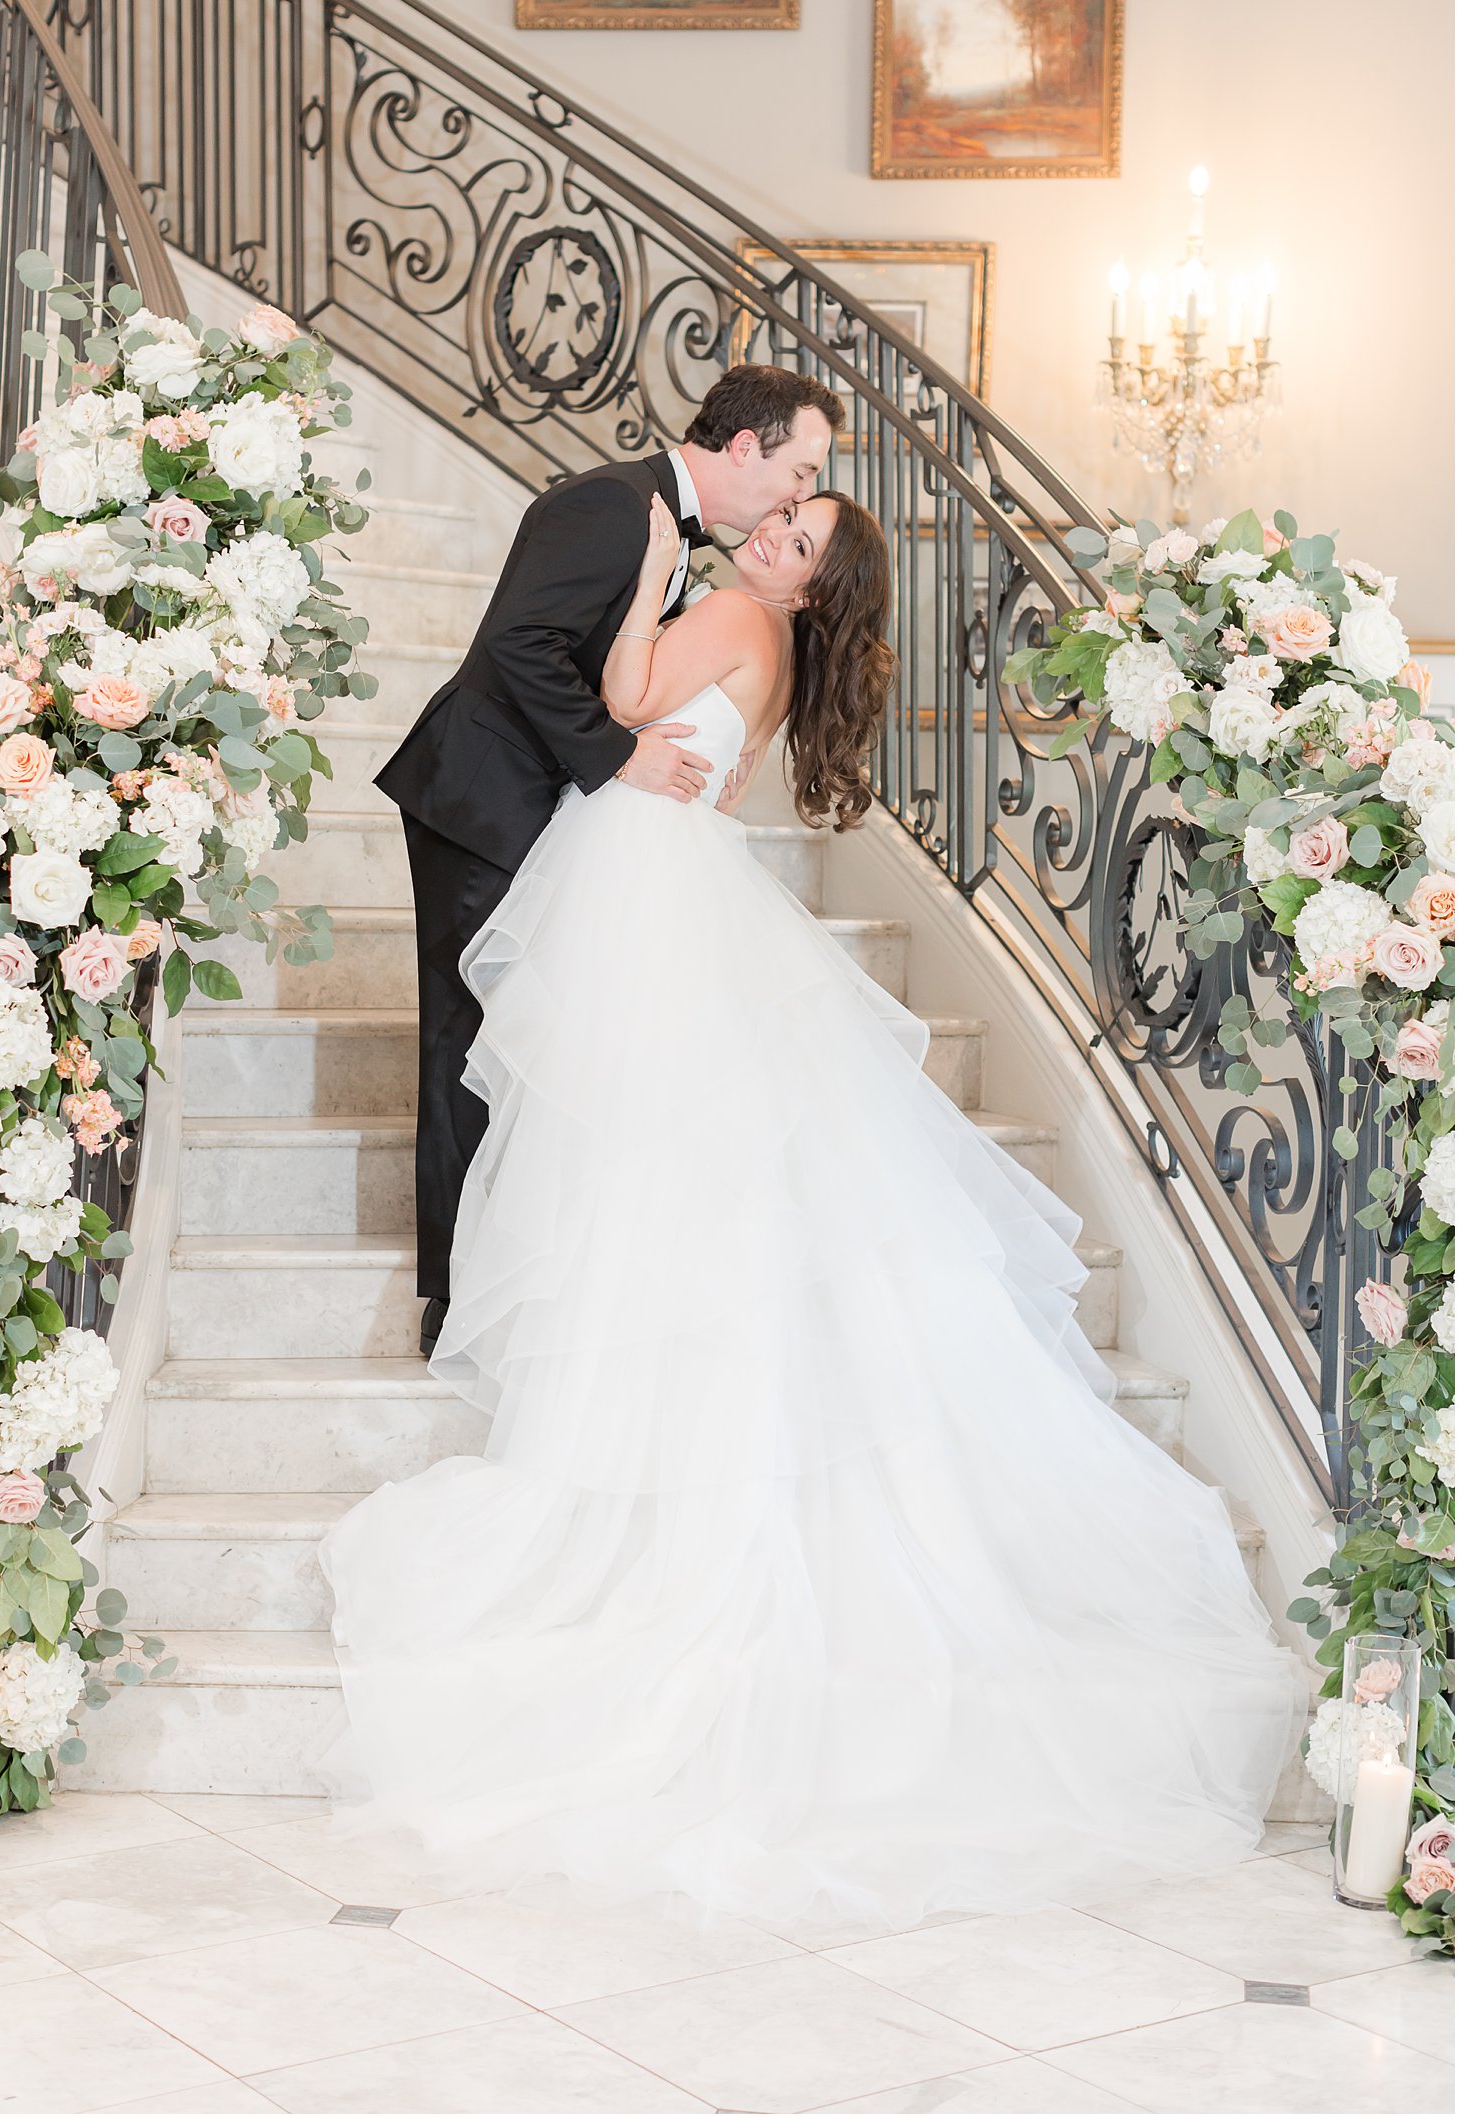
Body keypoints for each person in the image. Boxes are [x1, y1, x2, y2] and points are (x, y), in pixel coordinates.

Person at [307, 486, 1304, 1936]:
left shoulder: (719, 611)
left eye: (796, 540)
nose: (767, 535)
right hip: (676, 897)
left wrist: (651, 574)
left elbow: (625, 695)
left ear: (809, 585)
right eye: (775, 524)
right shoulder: (774, 649)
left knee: (624, 1157)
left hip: (646, 903)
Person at [373, 364, 844, 1355]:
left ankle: (518, 1270)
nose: (796, 495)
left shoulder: (676, 537)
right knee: (467, 1042)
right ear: (745, 448)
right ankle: (454, 1297)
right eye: (798, 470)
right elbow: (520, 645)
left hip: (549, 813)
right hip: (485, 800)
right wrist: (621, 752)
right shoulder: (612, 503)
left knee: (536, 1043)